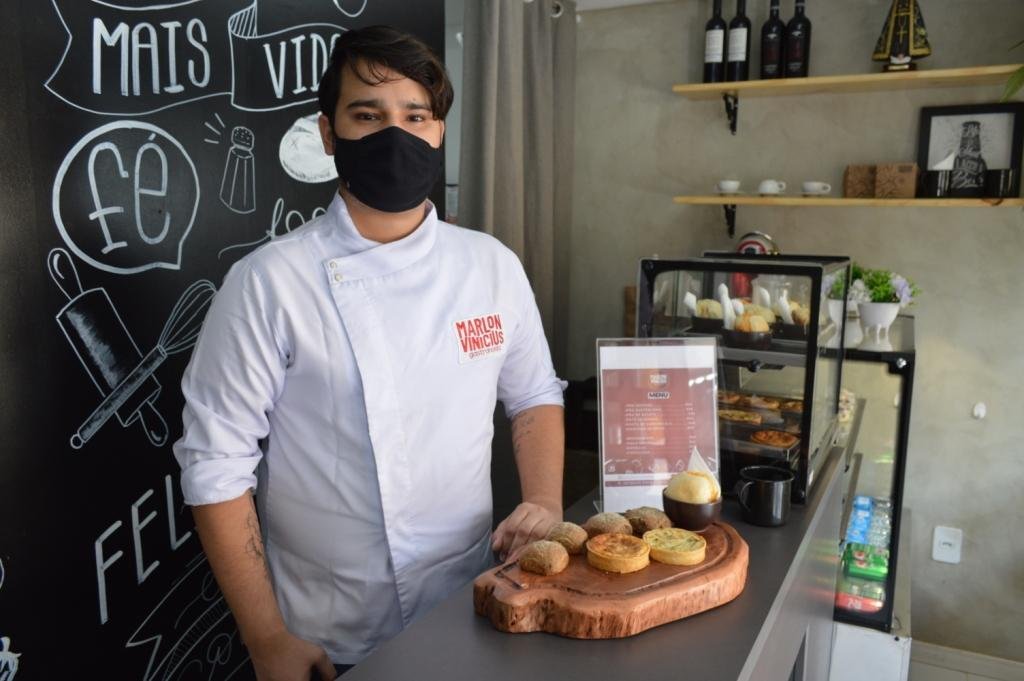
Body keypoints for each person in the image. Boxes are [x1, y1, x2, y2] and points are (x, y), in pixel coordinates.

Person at [173, 25, 565, 681]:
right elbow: (215, 466)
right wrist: (266, 637)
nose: (396, 134)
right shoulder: (269, 283)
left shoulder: (490, 266)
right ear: (329, 135)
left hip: (475, 601)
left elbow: (533, 395)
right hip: (329, 633)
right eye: (368, 115)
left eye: (416, 116)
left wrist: (546, 503)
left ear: (439, 132)